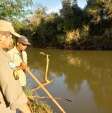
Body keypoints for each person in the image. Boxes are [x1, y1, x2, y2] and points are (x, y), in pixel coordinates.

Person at [0, 20, 31, 113]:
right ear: (1, 37)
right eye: (10, 36)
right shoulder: (7, 55)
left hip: (20, 82)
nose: (11, 40)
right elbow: (9, 76)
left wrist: (25, 69)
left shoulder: (24, 54)